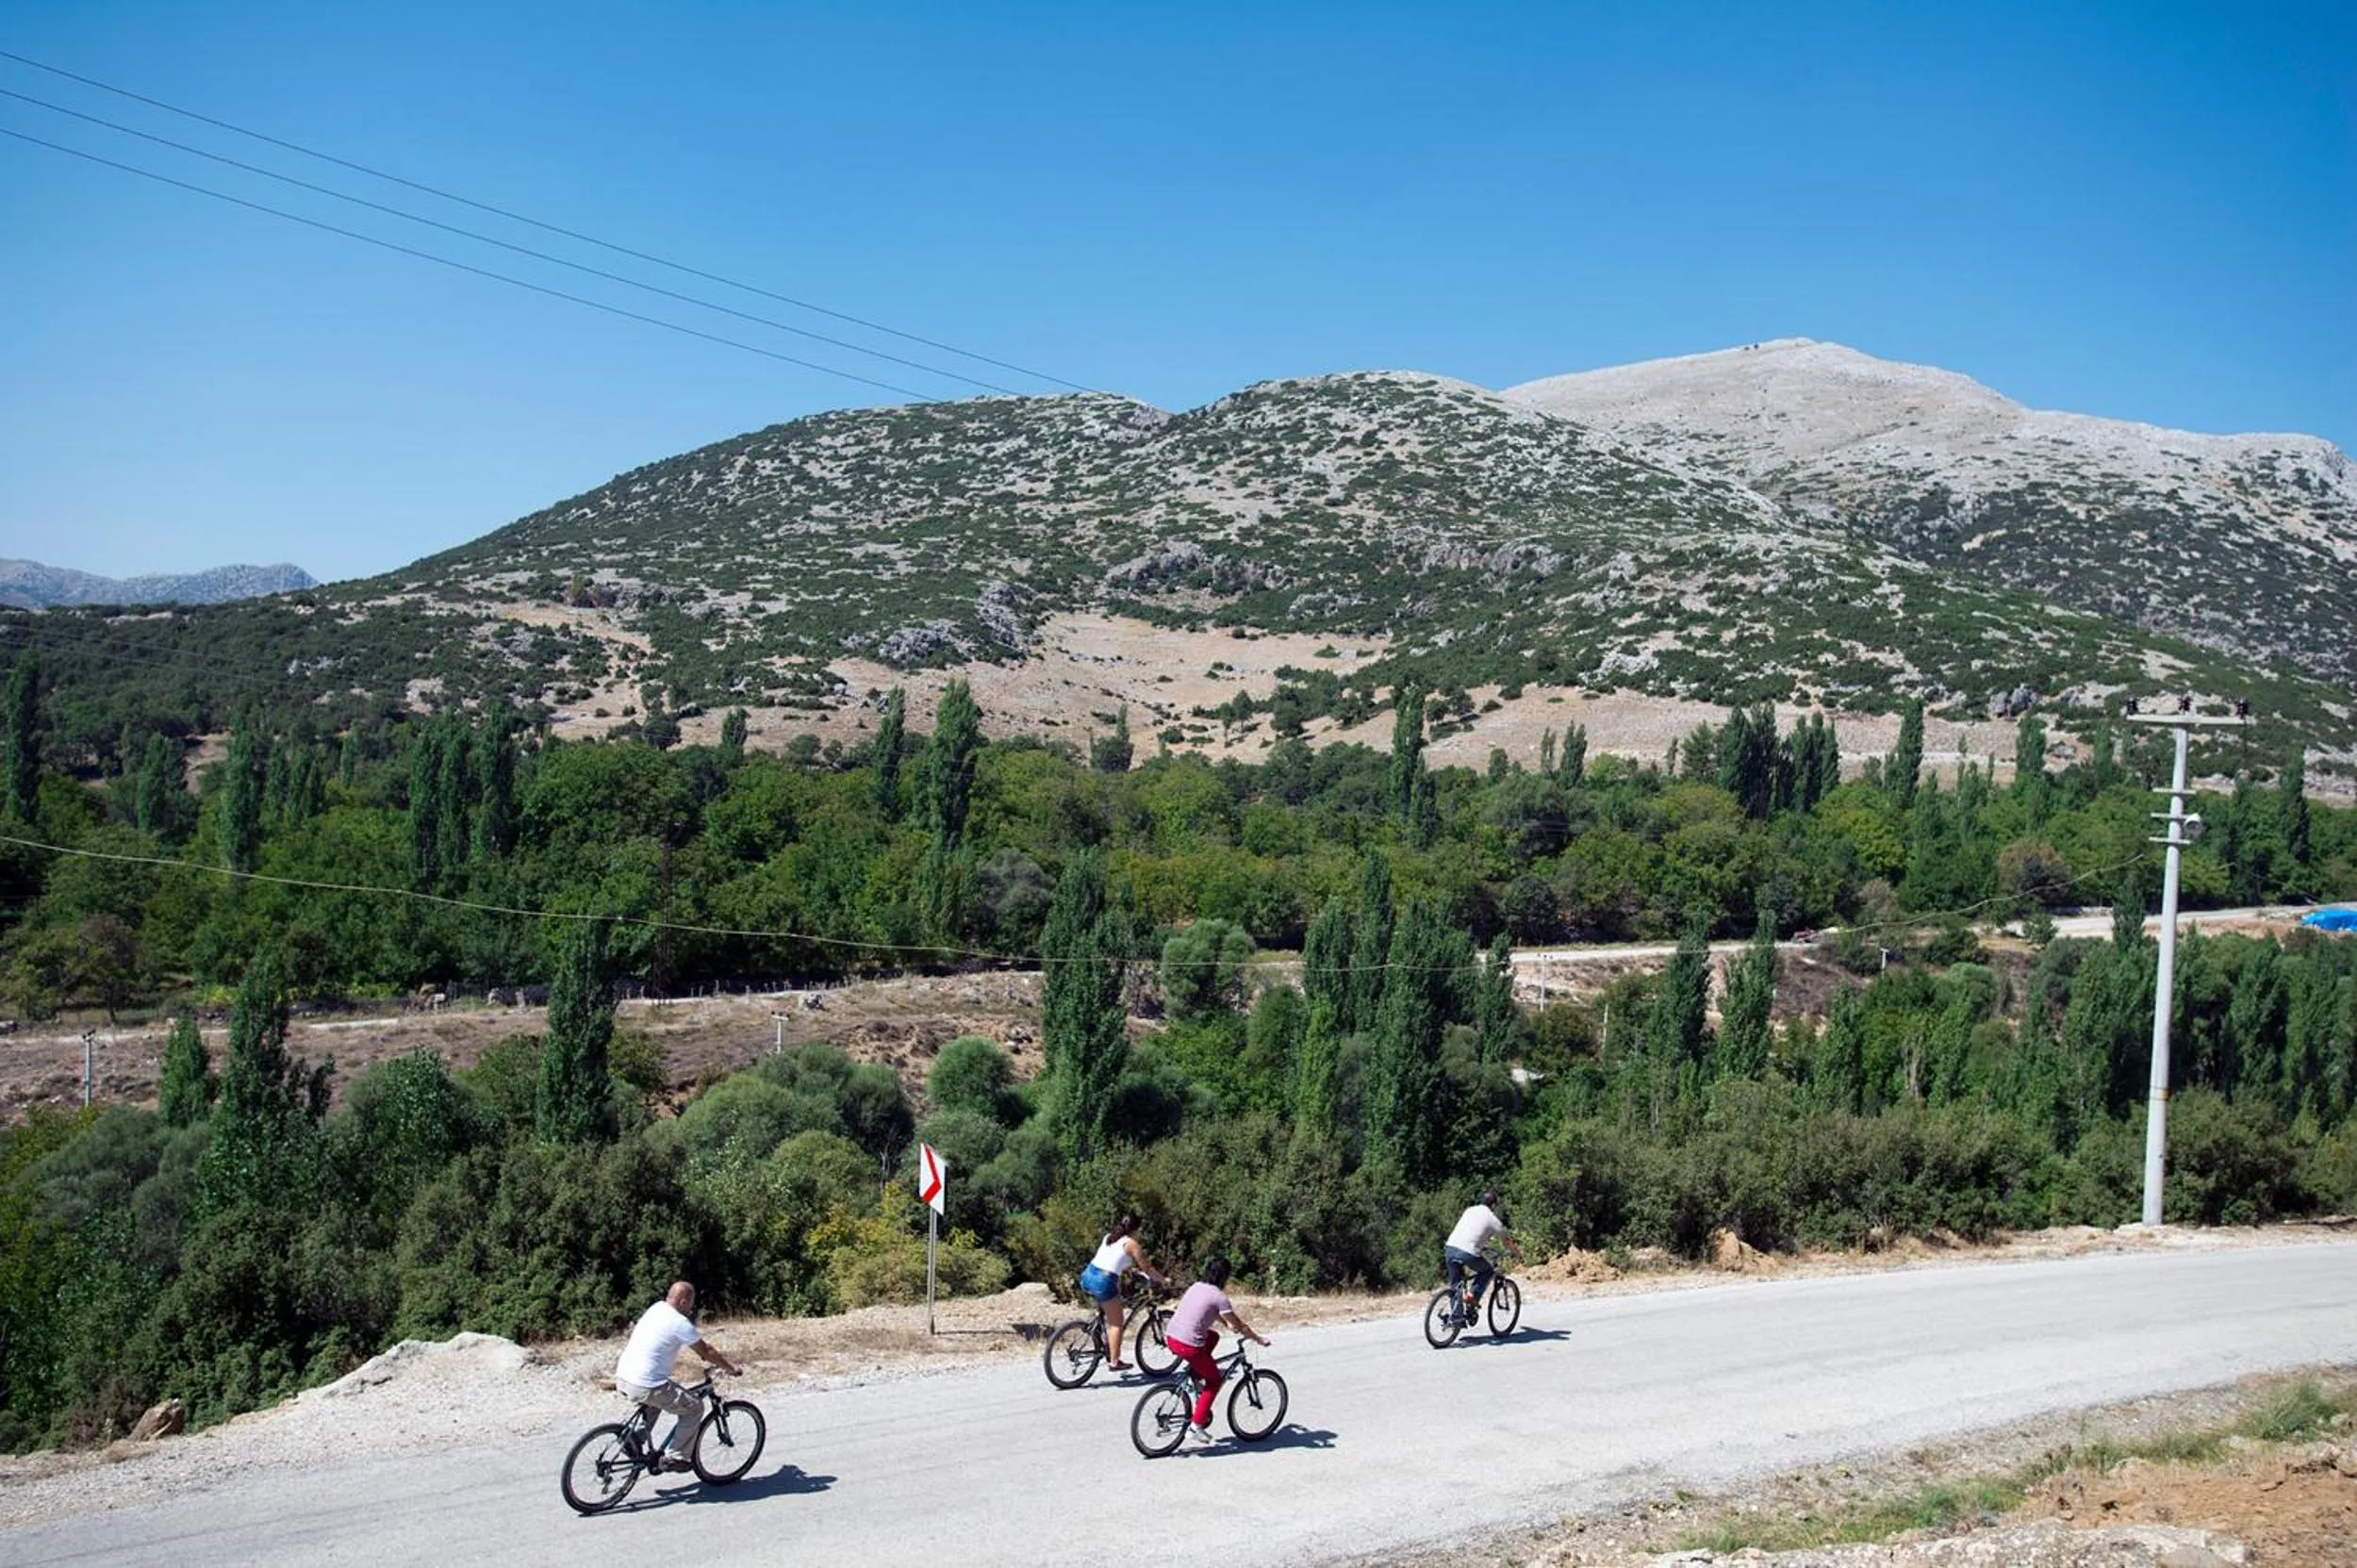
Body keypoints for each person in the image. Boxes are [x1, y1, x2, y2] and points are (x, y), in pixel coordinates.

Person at [613, 1279, 743, 1471]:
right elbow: (706, 1350)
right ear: (683, 1301)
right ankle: (677, 1457)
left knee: (657, 1400)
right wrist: (730, 1368)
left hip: (624, 1377)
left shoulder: (657, 1308)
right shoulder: (679, 1322)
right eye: (691, 1303)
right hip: (645, 1384)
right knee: (694, 1408)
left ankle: (633, 1440)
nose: (692, 1308)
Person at [1162, 1255, 1268, 1444]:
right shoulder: (1220, 1297)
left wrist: (1226, 1323)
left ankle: (1196, 1374)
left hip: (1171, 1337)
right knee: (1214, 1381)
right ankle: (1196, 1427)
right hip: (1189, 1346)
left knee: (1213, 1337)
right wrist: (1258, 1339)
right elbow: (1241, 1326)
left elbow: (1213, 1311)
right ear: (1224, 1276)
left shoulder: (1196, 1286)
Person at [1077, 1212, 1167, 1371]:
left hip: (1088, 1276)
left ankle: (1099, 1333)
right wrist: (1163, 1280)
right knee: (1116, 1324)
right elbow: (1147, 1268)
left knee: (1109, 1306)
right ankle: (1114, 1362)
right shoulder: (1131, 1244)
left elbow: (1113, 1260)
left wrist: (1132, 1271)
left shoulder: (1109, 1237)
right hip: (1104, 1282)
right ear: (1137, 1229)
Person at [1442, 1190, 1512, 1326]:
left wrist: (1482, 1246)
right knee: (1488, 1271)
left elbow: (1472, 1231)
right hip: (1467, 1252)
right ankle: (1472, 1296)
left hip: (1450, 1248)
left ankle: (1456, 1318)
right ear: (1494, 1205)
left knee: (1456, 1285)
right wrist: (1516, 1253)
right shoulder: (1493, 1220)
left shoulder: (1469, 1210)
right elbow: (1507, 1241)